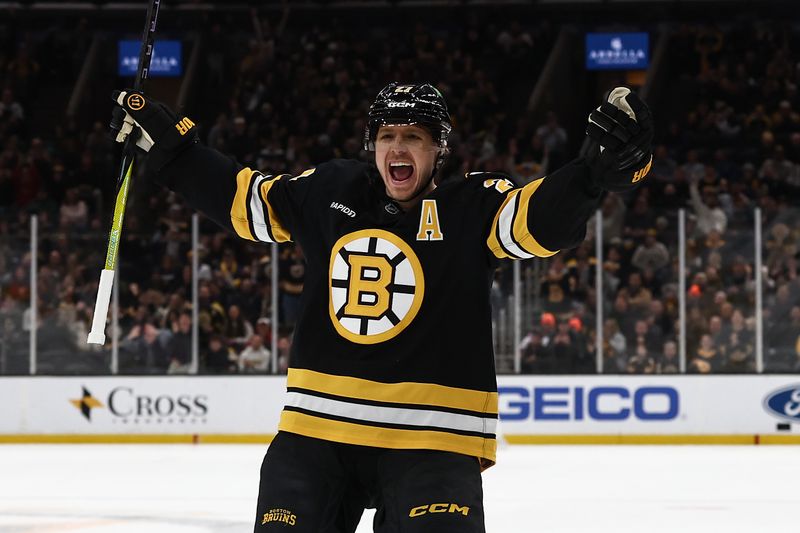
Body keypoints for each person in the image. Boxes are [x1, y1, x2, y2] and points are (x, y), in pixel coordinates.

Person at [110, 82, 652, 532]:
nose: (398, 148)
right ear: (372, 145)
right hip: (317, 434)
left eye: (413, 137)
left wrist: (590, 177)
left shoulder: (474, 206)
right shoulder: (329, 190)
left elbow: (537, 220)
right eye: (387, 136)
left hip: (433, 439)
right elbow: (242, 198)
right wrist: (173, 156)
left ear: (439, 150)